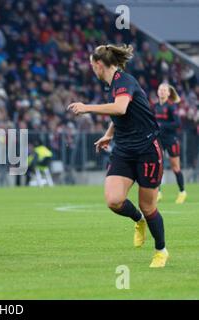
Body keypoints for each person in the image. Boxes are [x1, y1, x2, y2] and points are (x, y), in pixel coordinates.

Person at [68, 44, 169, 268]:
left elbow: (121, 108)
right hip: (124, 150)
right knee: (114, 201)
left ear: (98, 65)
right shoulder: (111, 85)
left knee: (149, 206)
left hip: (147, 150)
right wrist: (108, 135)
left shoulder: (124, 81)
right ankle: (138, 220)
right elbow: (123, 116)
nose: (91, 69)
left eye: (92, 65)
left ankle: (161, 250)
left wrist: (86, 107)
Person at [154, 83, 186, 204]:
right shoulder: (155, 106)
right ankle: (158, 193)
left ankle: (182, 192)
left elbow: (178, 124)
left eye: (164, 90)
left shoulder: (172, 107)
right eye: (160, 89)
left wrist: (163, 126)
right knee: (157, 167)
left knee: (175, 167)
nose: (161, 91)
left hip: (171, 140)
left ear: (168, 93)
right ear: (157, 92)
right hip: (159, 140)